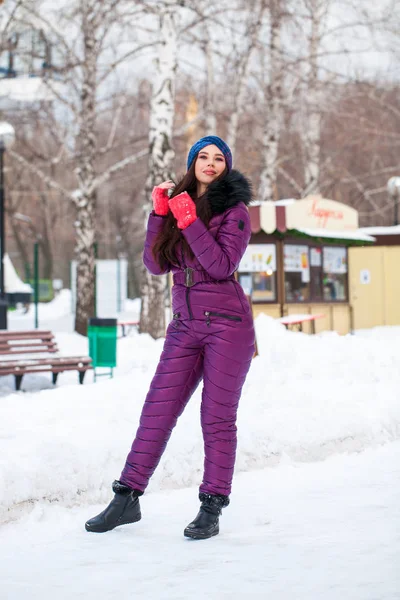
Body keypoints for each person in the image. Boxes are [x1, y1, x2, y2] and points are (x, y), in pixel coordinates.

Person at [85, 135, 255, 540]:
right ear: (192, 162)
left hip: (228, 326)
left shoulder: (236, 211)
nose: (210, 163)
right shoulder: (181, 204)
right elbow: (155, 264)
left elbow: (220, 265)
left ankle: (211, 507)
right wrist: (160, 214)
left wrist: (188, 220)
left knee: (215, 418)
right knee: (156, 411)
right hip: (185, 324)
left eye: (218, 158)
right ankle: (127, 497)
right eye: (203, 156)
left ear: (226, 167)